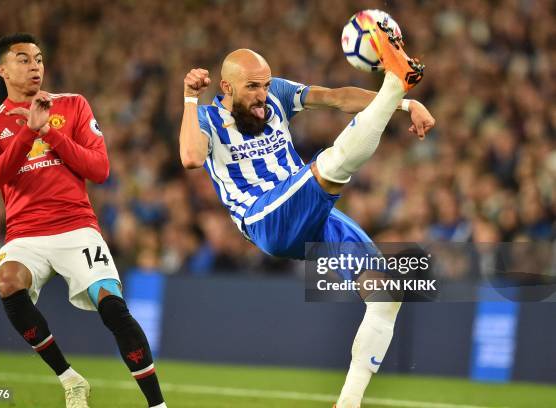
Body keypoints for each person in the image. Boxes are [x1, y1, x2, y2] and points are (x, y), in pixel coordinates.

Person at [179, 20, 435, 408]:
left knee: (386, 292)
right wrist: (188, 98)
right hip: (265, 217)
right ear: (227, 87)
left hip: (308, 209)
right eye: (252, 87)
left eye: (265, 84)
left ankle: (348, 402)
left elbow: (336, 98)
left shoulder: (277, 94)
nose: (263, 94)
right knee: (332, 167)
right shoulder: (207, 120)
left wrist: (405, 106)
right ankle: (395, 81)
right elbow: (191, 157)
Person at [0, 33, 166, 408]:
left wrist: (49, 132)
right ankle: (69, 378)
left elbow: (100, 168)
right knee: (8, 280)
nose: (35, 66)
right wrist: (29, 131)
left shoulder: (73, 105)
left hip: (77, 228)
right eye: (24, 59)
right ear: (2, 70)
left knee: (113, 306)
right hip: (25, 233)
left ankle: (158, 405)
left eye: (39, 59)